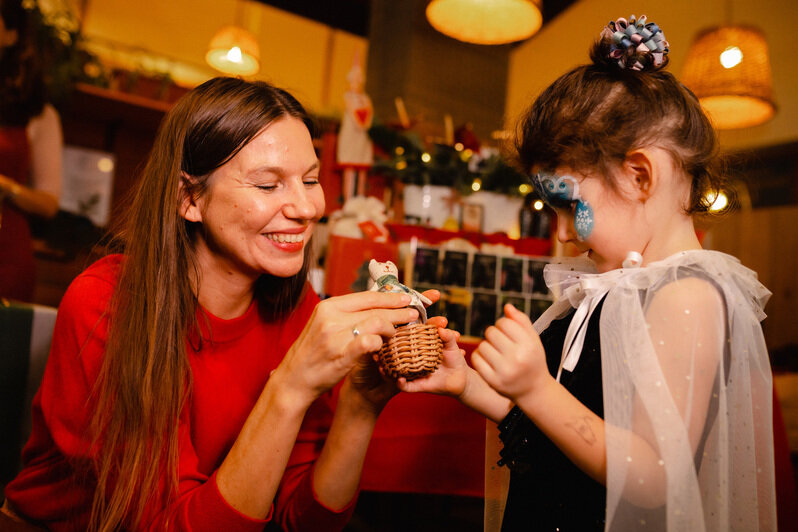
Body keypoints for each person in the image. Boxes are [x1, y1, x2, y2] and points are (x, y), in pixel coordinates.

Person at [2, 76, 444, 531]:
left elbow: (302, 522)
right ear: (189, 198)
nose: (307, 207)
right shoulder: (107, 303)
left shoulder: (295, 310)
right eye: (268, 186)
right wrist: (290, 386)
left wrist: (359, 406)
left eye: (310, 179)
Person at [400, 14, 776, 532]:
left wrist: (534, 388)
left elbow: (654, 475)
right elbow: (564, 429)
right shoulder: (609, 285)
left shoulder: (685, 295)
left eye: (566, 205)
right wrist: (470, 386)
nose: (562, 234)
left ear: (639, 175)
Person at [0, 0, 63, 302]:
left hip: (6, 256)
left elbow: (49, 203)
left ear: (11, 35)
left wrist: (5, 186)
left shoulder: (39, 115)